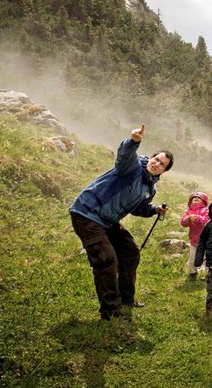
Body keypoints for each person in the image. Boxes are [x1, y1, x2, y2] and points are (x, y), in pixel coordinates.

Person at [69, 124, 172, 320]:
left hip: (107, 221)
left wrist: (154, 210)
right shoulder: (132, 166)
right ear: (151, 157)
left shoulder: (150, 188)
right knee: (106, 260)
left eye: (162, 164)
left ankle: (126, 299)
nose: (157, 164)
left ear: (164, 171)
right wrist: (133, 141)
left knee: (130, 252)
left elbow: (138, 208)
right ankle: (110, 311)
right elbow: (124, 155)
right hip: (88, 213)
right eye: (156, 159)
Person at [180, 192, 210, 280]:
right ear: (190, 201)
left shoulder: (206, 210)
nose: (196, 198)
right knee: (192, 259)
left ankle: (209, 275)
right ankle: (192, 273)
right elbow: (183, 223)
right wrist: (188, 219)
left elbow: (207, 222)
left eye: (199, 197)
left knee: (207, 258)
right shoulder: (189, 212)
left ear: (204, 201)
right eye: (194, 197)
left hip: (206, 240)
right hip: (194, 240)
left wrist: (197, 218)